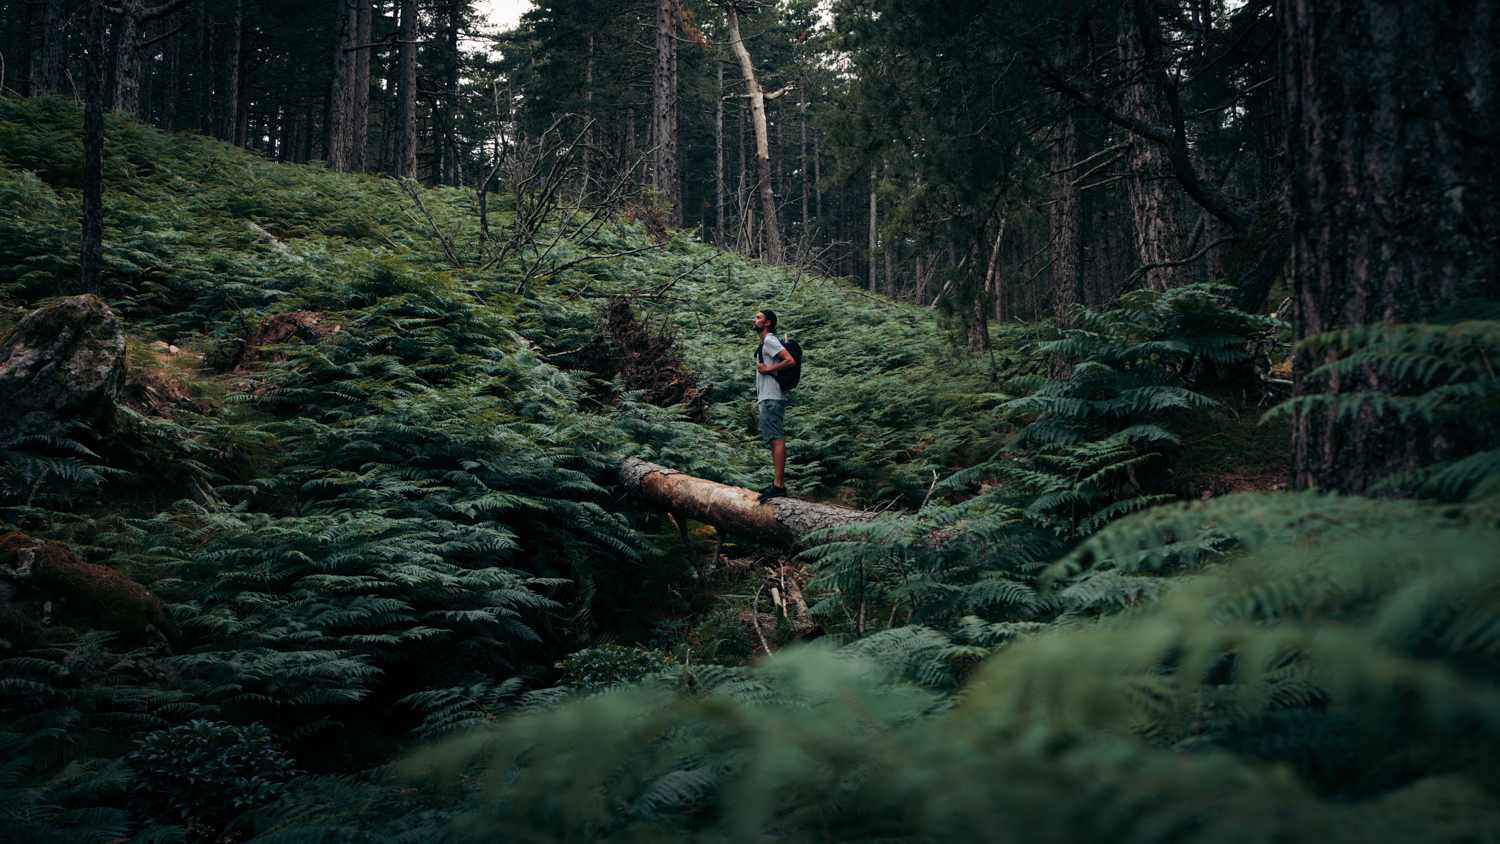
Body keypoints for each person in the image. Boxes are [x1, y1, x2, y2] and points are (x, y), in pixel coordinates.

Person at [752, 309, 794, 502]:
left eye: (758, 317)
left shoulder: (769, 340)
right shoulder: (765, 342)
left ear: (767, 322)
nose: (754, 320)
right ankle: (779, 484)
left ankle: (778, 486)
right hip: (767, 397)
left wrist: (768, 369)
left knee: (776, 439)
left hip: (771, 397)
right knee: (773, 439)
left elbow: (790, 360)